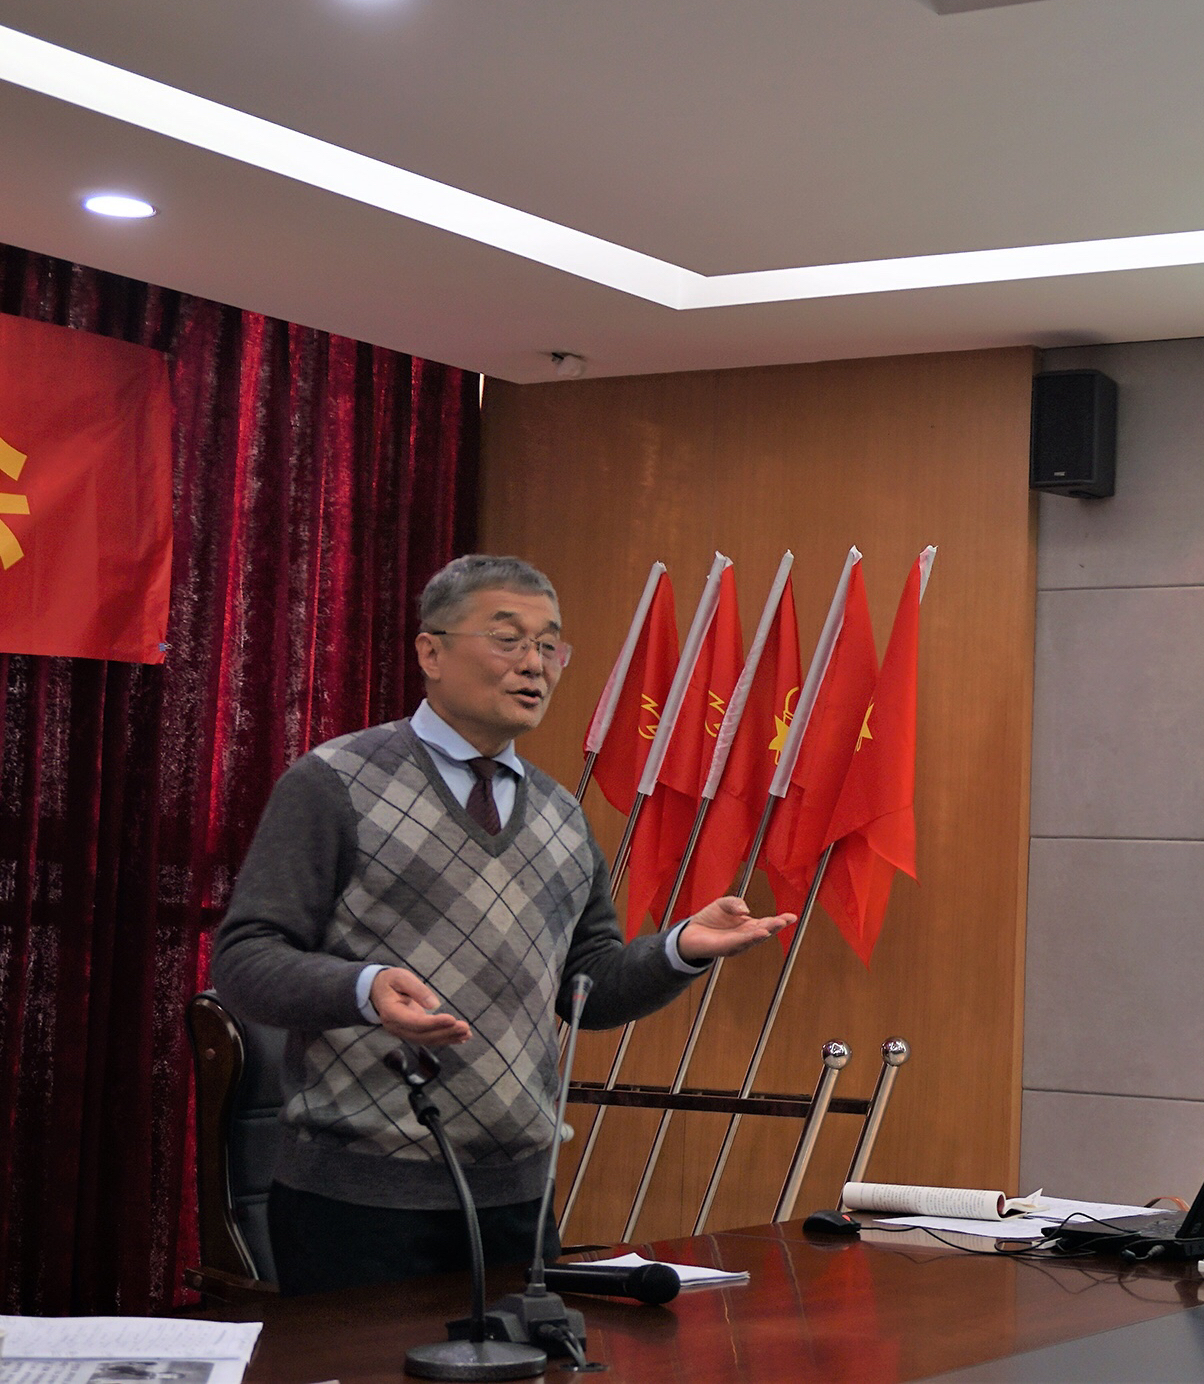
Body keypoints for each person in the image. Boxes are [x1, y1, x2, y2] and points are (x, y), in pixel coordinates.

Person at [211, 554, 794, 1295]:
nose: (535, 664)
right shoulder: (334, 782)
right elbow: (246, 959)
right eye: (508, 639)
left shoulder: (559, 813)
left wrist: (678, 949)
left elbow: (590, 988)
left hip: (519, 1200)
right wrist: (364, 988)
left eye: (549, 645)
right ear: (431, 652)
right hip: (358, 1202)